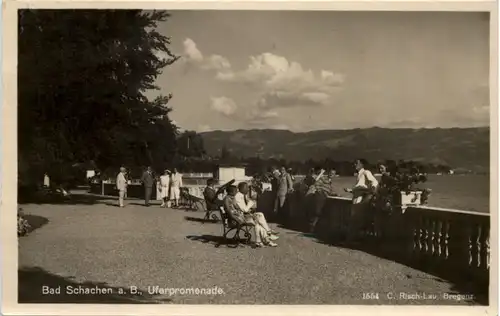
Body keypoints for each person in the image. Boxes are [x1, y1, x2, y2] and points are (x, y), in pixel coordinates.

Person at [344, 159, 379, 242]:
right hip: (356, 197)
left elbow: (374, 181)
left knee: (355, 218)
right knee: (354, 218)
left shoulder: (366, 172)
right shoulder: (359, 174)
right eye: (354, 163)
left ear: (362, 164)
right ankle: (352, 238)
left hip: (360, 198)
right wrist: (350, 190)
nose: (354, 164)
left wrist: (372, 189)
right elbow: (359, 187)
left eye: (357, 163)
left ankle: (352, 239)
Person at [307, 169, 339, 233]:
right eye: (330, 173)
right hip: (320, 197)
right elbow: (317, 184)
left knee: (320, 212)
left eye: (333, 174)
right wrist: (320, 191)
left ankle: (314, 228)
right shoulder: (324, 178)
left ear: (334, 175)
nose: (331, 175)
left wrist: (335, 194)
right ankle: (311, 228)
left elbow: (329, 190)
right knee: (317, 212)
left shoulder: (330, 182)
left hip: (324, 197)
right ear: (328, 173)